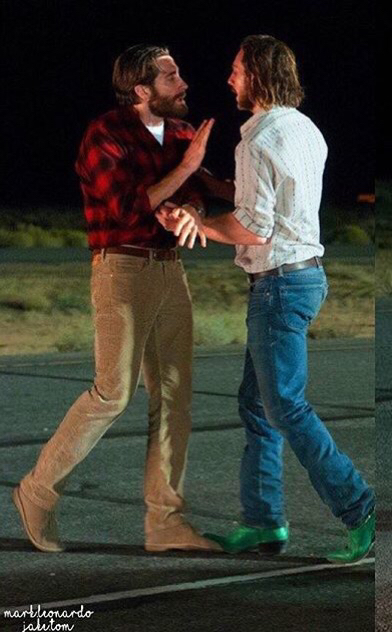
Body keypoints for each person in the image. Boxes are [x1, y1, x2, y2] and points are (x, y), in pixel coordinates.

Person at [161, 35, 375, 563]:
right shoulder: (304, 129)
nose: (229, 78)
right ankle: (263, 522)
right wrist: (204, 180)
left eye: (236, 70)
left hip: (278, 285)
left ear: (257, 75)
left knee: (285, 408)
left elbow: (254, 228)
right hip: (304, 277)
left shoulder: (255, 140)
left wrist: (197, 224)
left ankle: (361, 509)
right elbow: (268, 199)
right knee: (257, 406)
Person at [12, 44, 220, 553]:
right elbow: (127, 208)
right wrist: (187, 168)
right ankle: (36, 492)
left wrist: (190, 209)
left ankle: (165, 523)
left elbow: (197, 191)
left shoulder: (181, 132)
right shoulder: (105, 135)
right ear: (142, 89)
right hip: (121, 269)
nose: (184, 83)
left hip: (170, 269)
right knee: (112, 393)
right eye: (172, 77)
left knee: (174, 397)